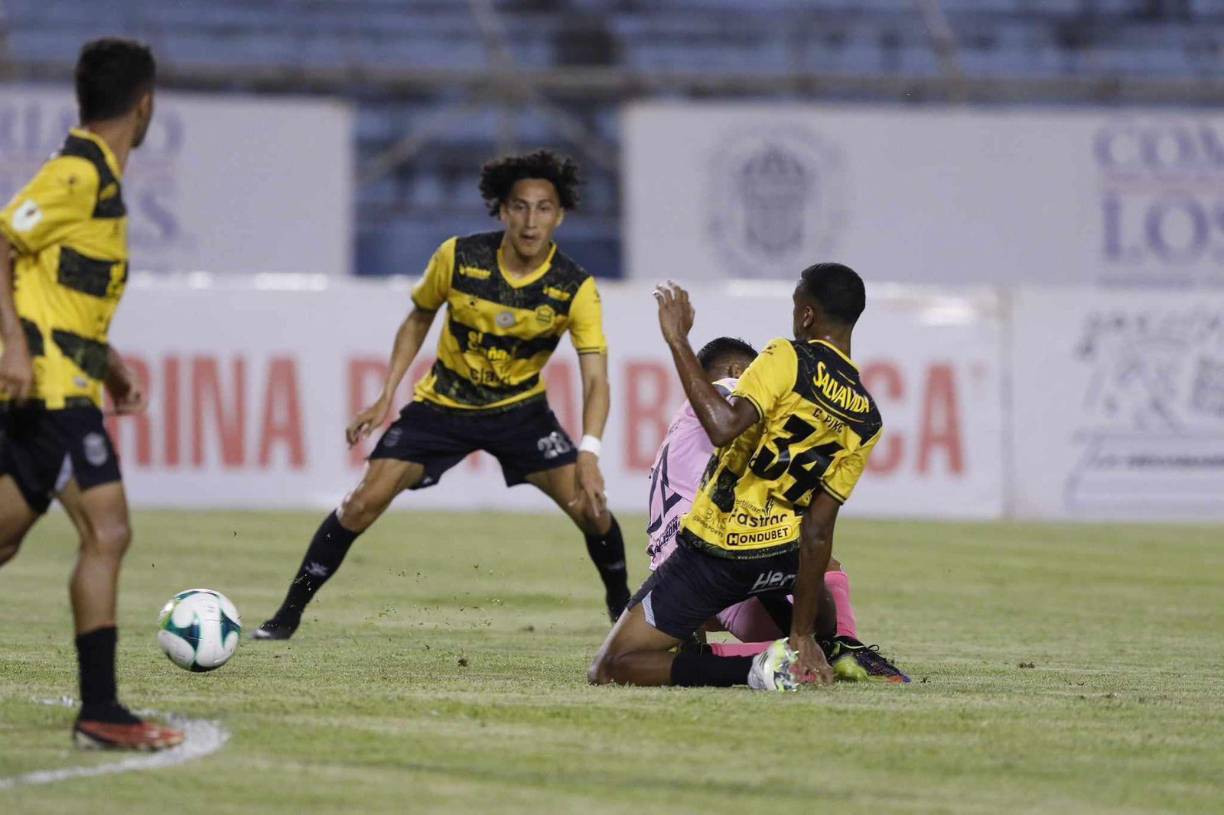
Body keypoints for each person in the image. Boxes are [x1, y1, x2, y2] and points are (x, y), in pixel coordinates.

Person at [255, 150, 629, 639]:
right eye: (520, 206)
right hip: (443, 406)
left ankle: (621, 611)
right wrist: (387, 394)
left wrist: (590, 451)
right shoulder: (458, 257)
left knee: (593, 511)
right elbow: (418, 317)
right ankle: (287, 615)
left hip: (521, 413)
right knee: (361, 504)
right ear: (501, 210)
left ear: (559, 215)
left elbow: (596, 379)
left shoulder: (574, 287)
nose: (531, 221)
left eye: (543, 208)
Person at [0, 39, 183, 748]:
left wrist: (111, 369)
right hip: (47, 390)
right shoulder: (78, 172)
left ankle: (101, 709)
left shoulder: (99, 180)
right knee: (107, 531)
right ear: (145, 106)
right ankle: (101, 710)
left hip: (67, 383)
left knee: (10, 539)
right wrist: (14, 347)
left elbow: (60, 298)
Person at [588, 264, 882, 689]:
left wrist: (676, 337)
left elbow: (723, 425)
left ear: (806, 315)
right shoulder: (867, 417)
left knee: (612, 665)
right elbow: (818, 529)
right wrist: (802, 634)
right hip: (780, 555)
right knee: (823, 584)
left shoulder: (781, 358)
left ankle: (751, 667)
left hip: (713, 550)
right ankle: (828, 647)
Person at [646, 336, 908, 683]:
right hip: (720, 554)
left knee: (775, 593)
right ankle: (842, 644)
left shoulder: (678, 430)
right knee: (819, 559)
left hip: (676, 575)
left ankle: (704, 655)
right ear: (740, 370)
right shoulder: (729, 388)